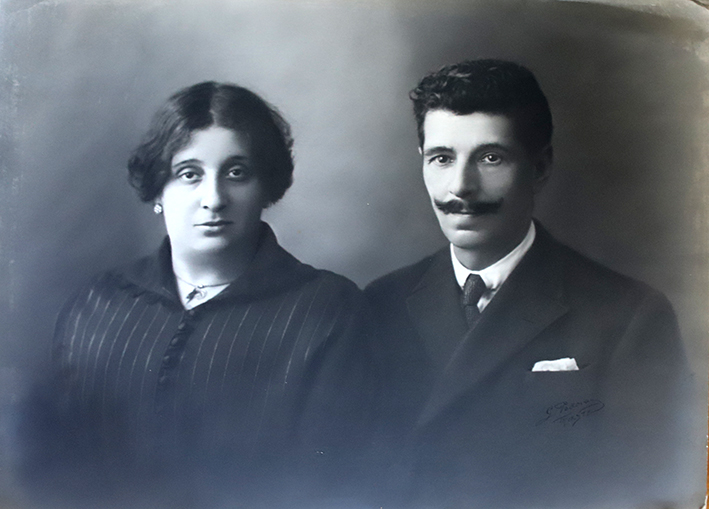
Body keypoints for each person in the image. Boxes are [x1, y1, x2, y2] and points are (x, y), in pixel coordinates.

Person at [21, 82, 379, 509]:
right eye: (189, 174)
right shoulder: (98, 305)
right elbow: (55, 469)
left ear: (266, 187)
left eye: (236, 173)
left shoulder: (327, 310)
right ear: (158, 189)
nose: (214, 199)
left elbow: (336, 483)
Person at [365, 60, 693, 508]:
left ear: (539, 167)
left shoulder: (629, 315)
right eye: (442, 158)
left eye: (490, 158)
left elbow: (654, 491)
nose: (461, 187)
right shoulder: (380, 304)